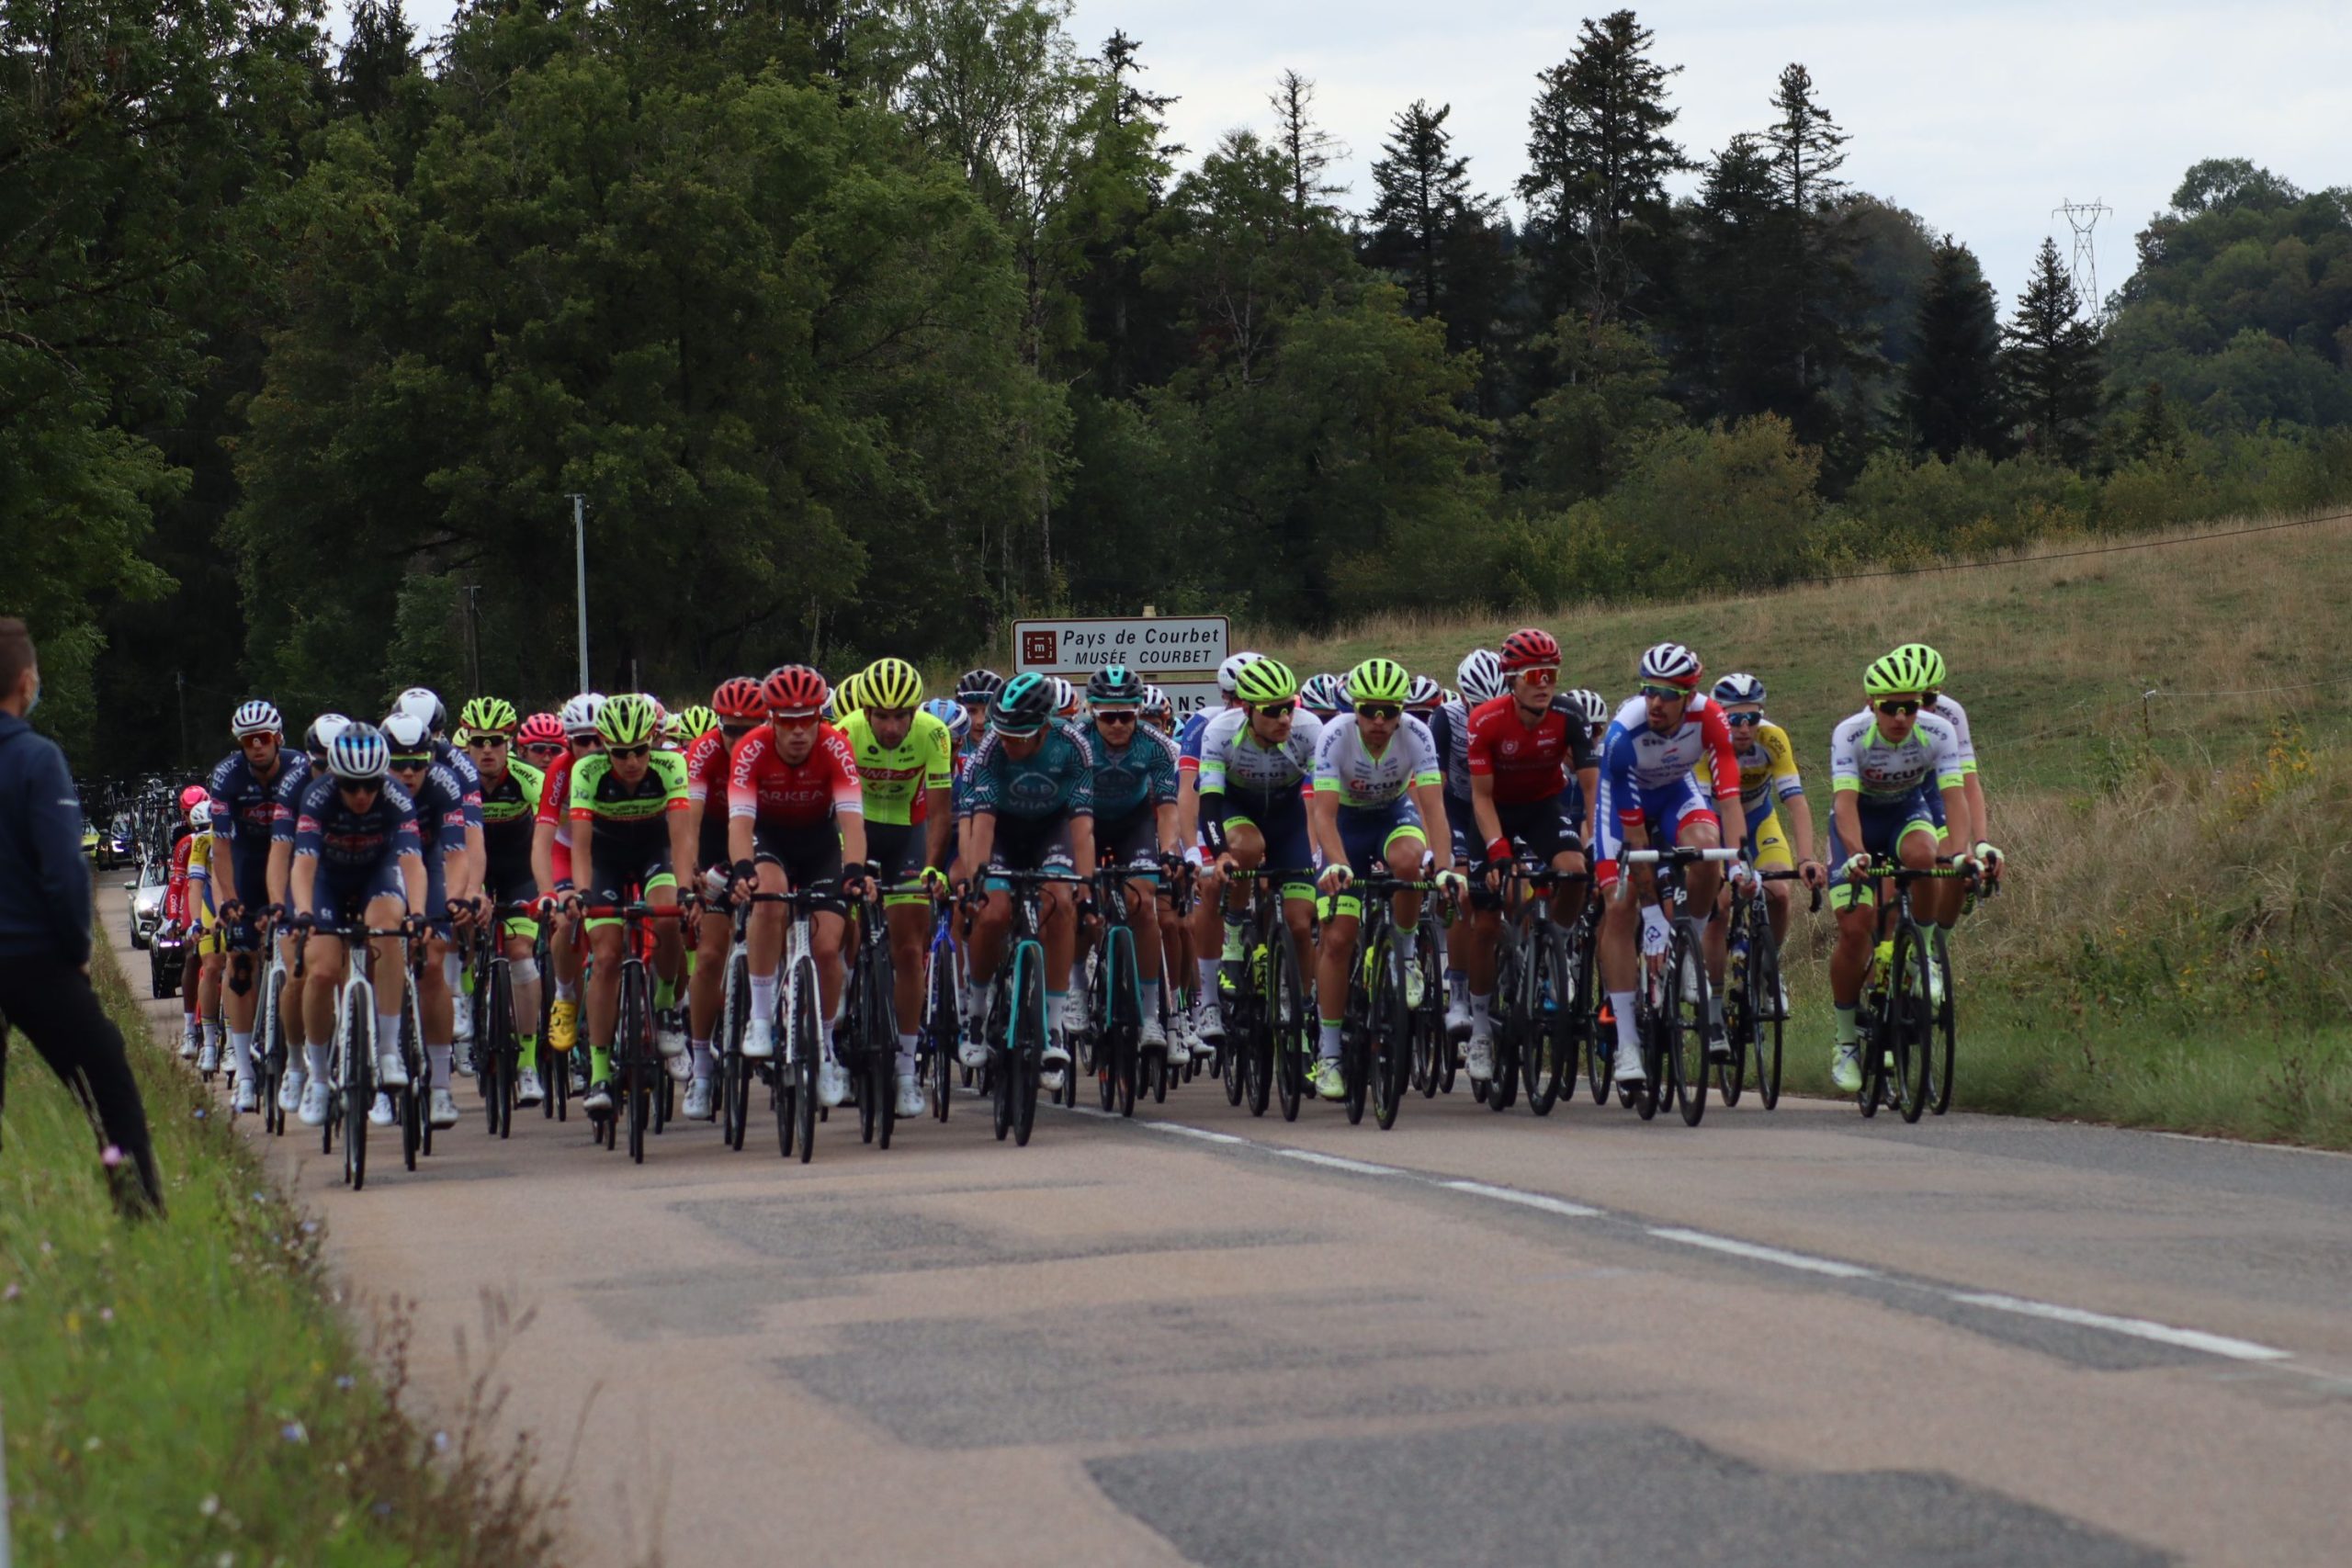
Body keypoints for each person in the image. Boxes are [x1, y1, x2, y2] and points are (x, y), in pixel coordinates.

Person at [0, 618, 165, 1217]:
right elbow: (65, 869)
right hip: (33, 958)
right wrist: (76, 946)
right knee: (104, 1076)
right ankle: (137, 1205)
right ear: (25, 682)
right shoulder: (36, 760)